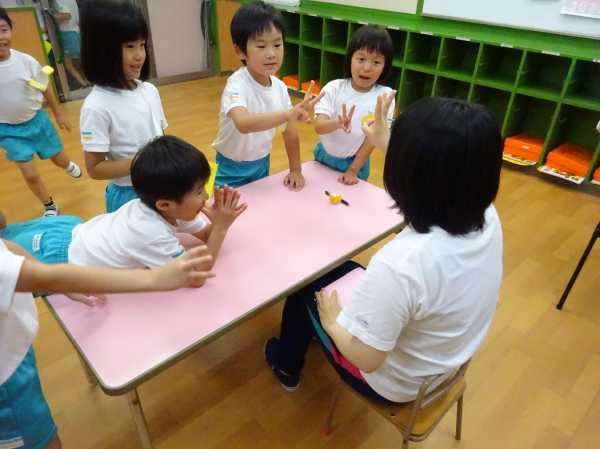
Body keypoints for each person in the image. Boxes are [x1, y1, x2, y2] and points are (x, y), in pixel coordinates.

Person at [265, 94, 504, 404]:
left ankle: (286, 365)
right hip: (444, 368)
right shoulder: (485, 214)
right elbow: (445, 172)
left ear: (404, 174)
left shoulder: (402, 264)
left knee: (304, 283)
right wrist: (383, 139)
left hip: (393, 384)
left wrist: (332, 323)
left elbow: (366, 359)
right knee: (338, 270)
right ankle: (309, 332)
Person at [0, 235, 212, 449]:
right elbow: (46, 278)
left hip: (12, 347)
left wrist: (63, 285)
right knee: (42, 443)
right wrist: (155, 278)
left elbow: (8, 248)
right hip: (7, 378)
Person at [1, 135, 246, 273]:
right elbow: (196, 274)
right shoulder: (152, 231)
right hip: (60, 257)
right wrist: (221, 228)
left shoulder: (167, 208)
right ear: (165, 204)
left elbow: (205, 235)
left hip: (72, 230)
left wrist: (216, 222)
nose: (206, 196)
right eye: (199, 191)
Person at [212, 0, 322, 189]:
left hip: (261, 163)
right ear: (240, 51)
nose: (271, 54)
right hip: (229, 168)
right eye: (261, 46)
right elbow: (244, 123)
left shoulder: (279, 88)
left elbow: (290, 132)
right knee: (228, 207)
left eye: (277, 45)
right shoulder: (236, 85)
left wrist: (296, 169)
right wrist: (288, 114)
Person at [79, 0, 167, 212]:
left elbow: (160, 137)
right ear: (103, 52)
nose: (140, 55)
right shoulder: (96, 106)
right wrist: (144, 163)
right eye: (130, 47)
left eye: (142, 45)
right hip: (128, 195)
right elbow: (95, 168)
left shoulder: (149, 91)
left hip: (159, 184)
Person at [0, 7, 81, 217]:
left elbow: (44, 88)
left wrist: (59, 114)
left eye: (3, 30)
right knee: (30, 174)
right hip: (8, 131)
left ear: (11, 30)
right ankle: (49, 205)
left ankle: (67, 165)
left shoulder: (25, 62)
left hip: (37, 122)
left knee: (58, 158)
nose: (0, 37)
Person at [313, 25, 395, 184]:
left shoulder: (385, 97)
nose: (367, 68)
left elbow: (372, 140)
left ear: (385, 66)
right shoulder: (333, 88)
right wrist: (337, 123)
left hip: (356, 163)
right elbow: (319, 127)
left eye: (376, 62)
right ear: (350, 58)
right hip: (324, 155)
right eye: (361, 59)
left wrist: (353, 170)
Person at [52, 0, 87, 87]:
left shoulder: (59, 1)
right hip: (75, 31)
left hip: (67, 33)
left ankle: (85, 83)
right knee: (79, 60)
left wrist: (51, 17)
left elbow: (67, 15)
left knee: (69, 64)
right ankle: (86, 81)